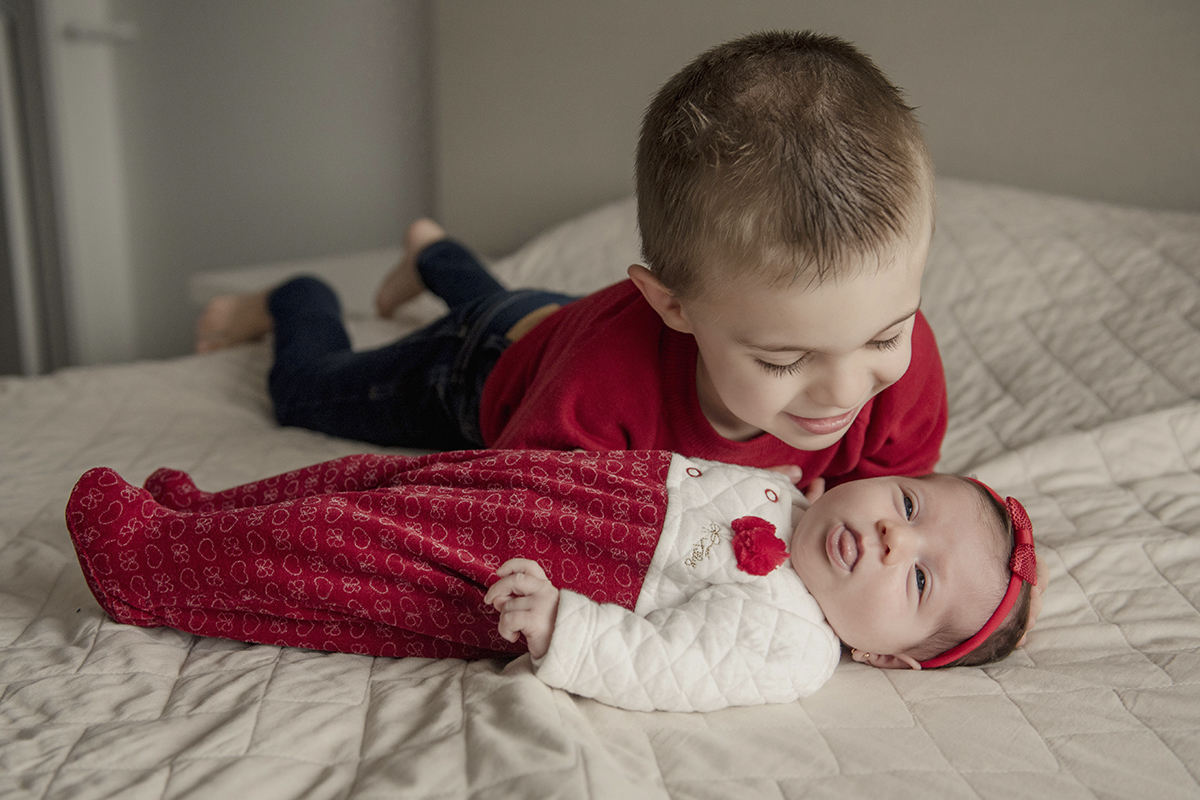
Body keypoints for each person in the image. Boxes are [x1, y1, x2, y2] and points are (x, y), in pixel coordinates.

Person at [194, 30, 946, 489]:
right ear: (672, 306)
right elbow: (537, 528)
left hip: (552, 326)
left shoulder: (899, 371)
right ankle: (298, 296)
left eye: (884, 337)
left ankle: (433, 252)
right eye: (784, 358)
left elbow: (886, 494)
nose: (850, 389)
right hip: (479, 368)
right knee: (304, 394)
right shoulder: (591, 403)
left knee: (504, 302)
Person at [65, 449, 1036, 713]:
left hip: (518, 572)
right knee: (366, 477)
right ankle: (201, 513)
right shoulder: (789, 493)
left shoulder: (790, 641)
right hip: (515, 485)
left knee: (343, 548)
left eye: (917, 581)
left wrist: (566, 626)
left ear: (880, 651)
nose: (886, 536)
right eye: (907, 505)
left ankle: (148, 568)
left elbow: (670, 666)